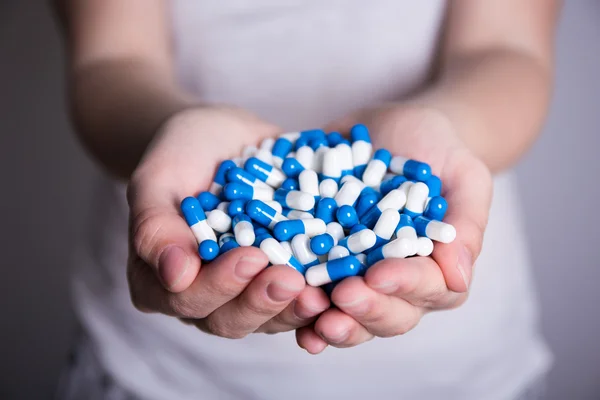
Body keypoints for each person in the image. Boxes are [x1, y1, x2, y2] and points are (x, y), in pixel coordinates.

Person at [53, 1, 560, 399]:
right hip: (156, 371)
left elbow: (507, 50)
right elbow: (111, 59)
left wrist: (453, 130)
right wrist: (166, 130)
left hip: (462, 372)